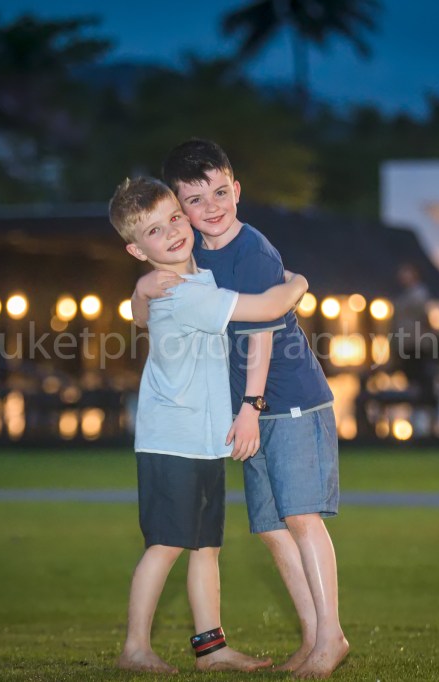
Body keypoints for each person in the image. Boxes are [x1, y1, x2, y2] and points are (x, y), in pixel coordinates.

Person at [132, 140, 349, 678]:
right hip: (248, 410)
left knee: (301, 518)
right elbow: (150, 312)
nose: (212, 207)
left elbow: (260, 334)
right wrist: (139, 290)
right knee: (273, 527)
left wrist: (251, 405)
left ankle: (332, 637)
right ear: (180, 208)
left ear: (237, 189)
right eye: (196, 199)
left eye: (221, 192)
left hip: (287, 399)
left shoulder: (252, 250)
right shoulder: (194, 253)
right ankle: (312, 636)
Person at [109, 176, 309, 674]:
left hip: (201, 439)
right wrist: (298, 284)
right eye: (156, 231)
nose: (174, 232)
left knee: (205, 546)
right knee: (166, 545)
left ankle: (211, 648)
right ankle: (135, 647)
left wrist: (138, 294)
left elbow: (139, 315)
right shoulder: (180, 293)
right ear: (137, 249)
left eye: (175, 217)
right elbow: (265, 308)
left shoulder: (192, 282)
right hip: (171, 440)